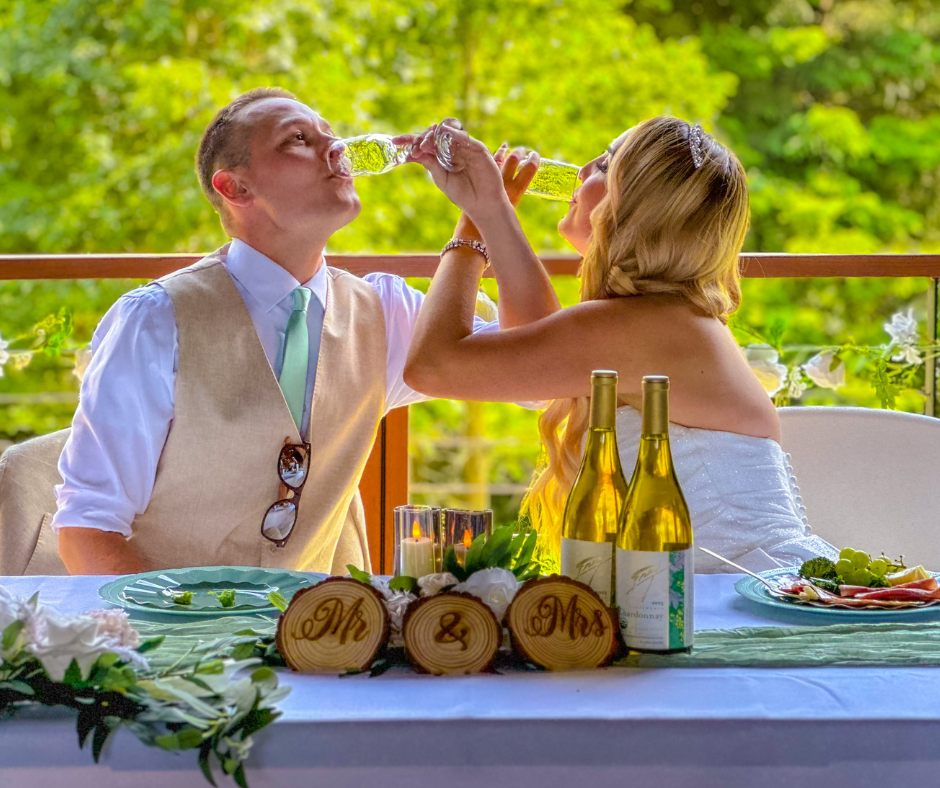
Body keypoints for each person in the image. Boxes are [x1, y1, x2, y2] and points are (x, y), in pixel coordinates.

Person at [46, 88, 523, 576]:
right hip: (179, 641)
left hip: (327, 638)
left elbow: (535, 381)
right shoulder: (155, 321)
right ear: (235, 189)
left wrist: (487, 215)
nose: (337, 151)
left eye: (332, 137)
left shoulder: (386, 311)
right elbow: (88, 530)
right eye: (298, 139)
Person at [401, 116, 837, 572]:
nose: (582, 167)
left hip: (739, 607)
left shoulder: (645, 327)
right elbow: (537, 358)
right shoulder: (664, 320)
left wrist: (470, 236)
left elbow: (432, 365)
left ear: (634, 206)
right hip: (715, 597)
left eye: (606, 163)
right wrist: (490, 214)